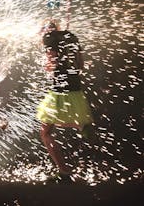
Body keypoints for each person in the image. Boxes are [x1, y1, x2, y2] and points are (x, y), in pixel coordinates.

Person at [36, 20, 94, 183]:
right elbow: (80, 64)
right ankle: (81, 125)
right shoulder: (72, 36)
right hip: (75, 87)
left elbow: (52, 63)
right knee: (53, 124)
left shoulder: (48, 38)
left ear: (46, 29)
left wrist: (47, 67)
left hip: (60, 90)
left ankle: (64, 171)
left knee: (45, 132)